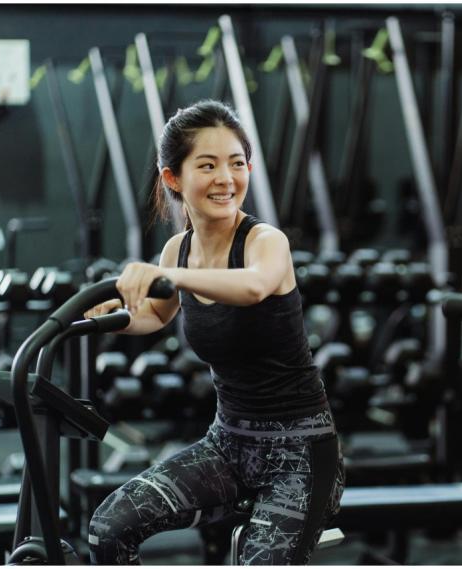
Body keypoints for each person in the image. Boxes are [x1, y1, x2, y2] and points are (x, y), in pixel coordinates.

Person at [83, 99, 344, 565]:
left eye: (237, 164)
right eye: (208, 165)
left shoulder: (266, 242)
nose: (226, 178)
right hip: (227, 445)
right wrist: (112, 315)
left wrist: (171, 277)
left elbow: (254, 286)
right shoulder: (177, 250)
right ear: (173, 178)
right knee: (109, 529)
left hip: (301, 455)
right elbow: (155, 315)